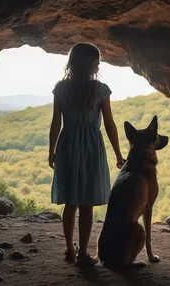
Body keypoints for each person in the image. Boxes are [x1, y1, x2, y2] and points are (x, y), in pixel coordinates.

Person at [48, 42, 125, 266]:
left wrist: (51, 150)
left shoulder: (61, 88)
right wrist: (118, 154)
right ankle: (82, 253)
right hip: (91, 145)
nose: (99, 64)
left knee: (71, 201)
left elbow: (56, 123)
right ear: (90, 63)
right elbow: (110, 124)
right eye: (96, 60)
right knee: (87, 202)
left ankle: (69, 250)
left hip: (68, 143)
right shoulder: (100, 89)